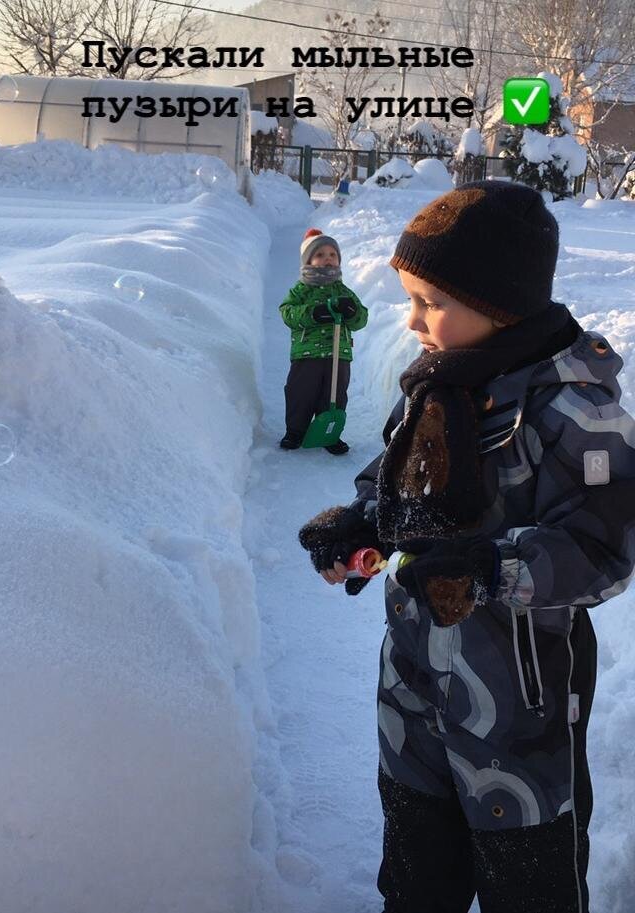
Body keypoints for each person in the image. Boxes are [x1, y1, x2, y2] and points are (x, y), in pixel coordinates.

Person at [297, 181, 635, 913]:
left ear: (500, 304)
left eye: (431, 302)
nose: (412, 320)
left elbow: (604, 545)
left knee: (529, 885)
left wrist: (492, 568)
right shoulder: (436, 381)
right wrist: (363, 523)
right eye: (410, 299)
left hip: (519, 707)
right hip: (412, 687)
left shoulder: (572, 407)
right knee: (417, 870)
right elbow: (396, 477)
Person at [279, 228, 368, 454]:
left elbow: (361, 320)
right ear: (308, 261)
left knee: (335, 395)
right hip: (307, 353)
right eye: (320, 254)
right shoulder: (301, 290)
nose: (328, 258)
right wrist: (313, 313)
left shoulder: (344, 291)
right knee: (301, 392)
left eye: (332, 254)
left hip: (339, 354)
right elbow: (287, 313)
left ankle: (329, 433)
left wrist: (352, 312)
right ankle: (295, 430)